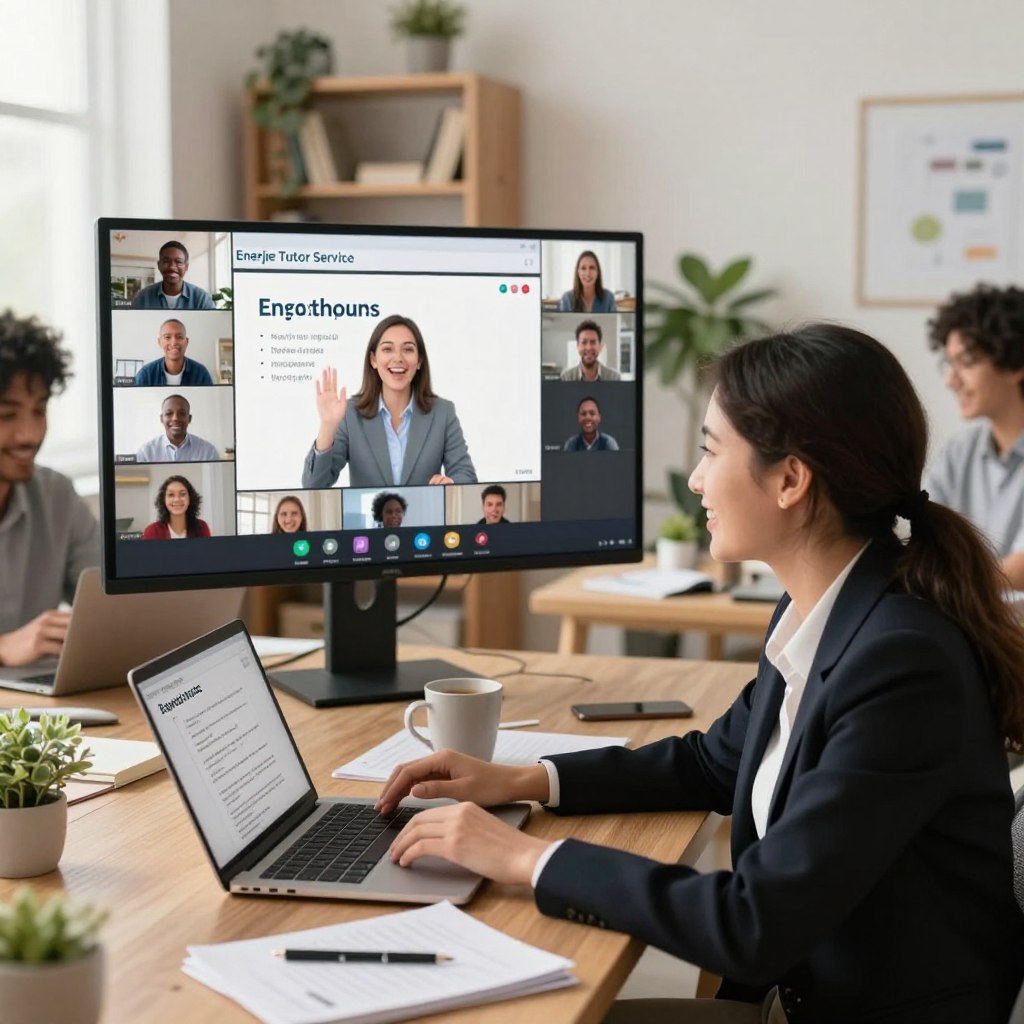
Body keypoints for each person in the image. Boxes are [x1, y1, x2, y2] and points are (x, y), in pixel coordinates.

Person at [378, 324, 1024, 1024]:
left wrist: (524, 858)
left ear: (790, 479)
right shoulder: (826, 606)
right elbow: (713, 762)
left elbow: (751, 923)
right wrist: (525, 781)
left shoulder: (902, 662)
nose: (693, 480)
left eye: (711, 451)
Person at [0, 310, 99, 667]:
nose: (29, 435)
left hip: (35, 709)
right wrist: (3, 647)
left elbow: (109, 604)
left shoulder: (56, 496)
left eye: (39, 410)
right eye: (7, 416)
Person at [302, 314, 477, 488]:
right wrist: (327, 426)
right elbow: (314, 486)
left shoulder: (442, 412)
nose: (398, 358)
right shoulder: (350, 414)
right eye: (387, 349)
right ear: (373, 360)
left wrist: (451, 484)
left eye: (408, 349)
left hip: (426, 515)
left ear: (419, 361)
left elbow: (466, 475)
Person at [925, 283, 1024, 590]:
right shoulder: (959, 453)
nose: (951, 380)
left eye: (967, 362)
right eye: (949, 363)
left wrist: (946, 583)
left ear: (1015, 365)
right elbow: (926, 544)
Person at [135, 394, 221, 463]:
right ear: (161, 418)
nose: (175, 418)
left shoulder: (208, 451)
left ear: (189, 418)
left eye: (182, 413)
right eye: (169, 413)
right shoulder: (146, 453)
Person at [131, 241, 215, 310]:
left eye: (178, 262)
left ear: (186, 267)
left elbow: (213, 327)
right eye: (166, 261)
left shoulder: (201, 298)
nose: (171, 267)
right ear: (159, 265)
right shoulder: (143, 297)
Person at [133, 318, 214, 386]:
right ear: (159, 342)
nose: (174, 342)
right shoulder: (146, 374)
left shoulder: (201, 373)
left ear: (186, 342)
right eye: (167, 337)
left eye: (179, 337)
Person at [142, 475, 210, 539]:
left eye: (182, 494)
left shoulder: (202, 527)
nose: (177, 499)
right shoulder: (152, 531)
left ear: (190, 498)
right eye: (171, 495)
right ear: (163, 499)